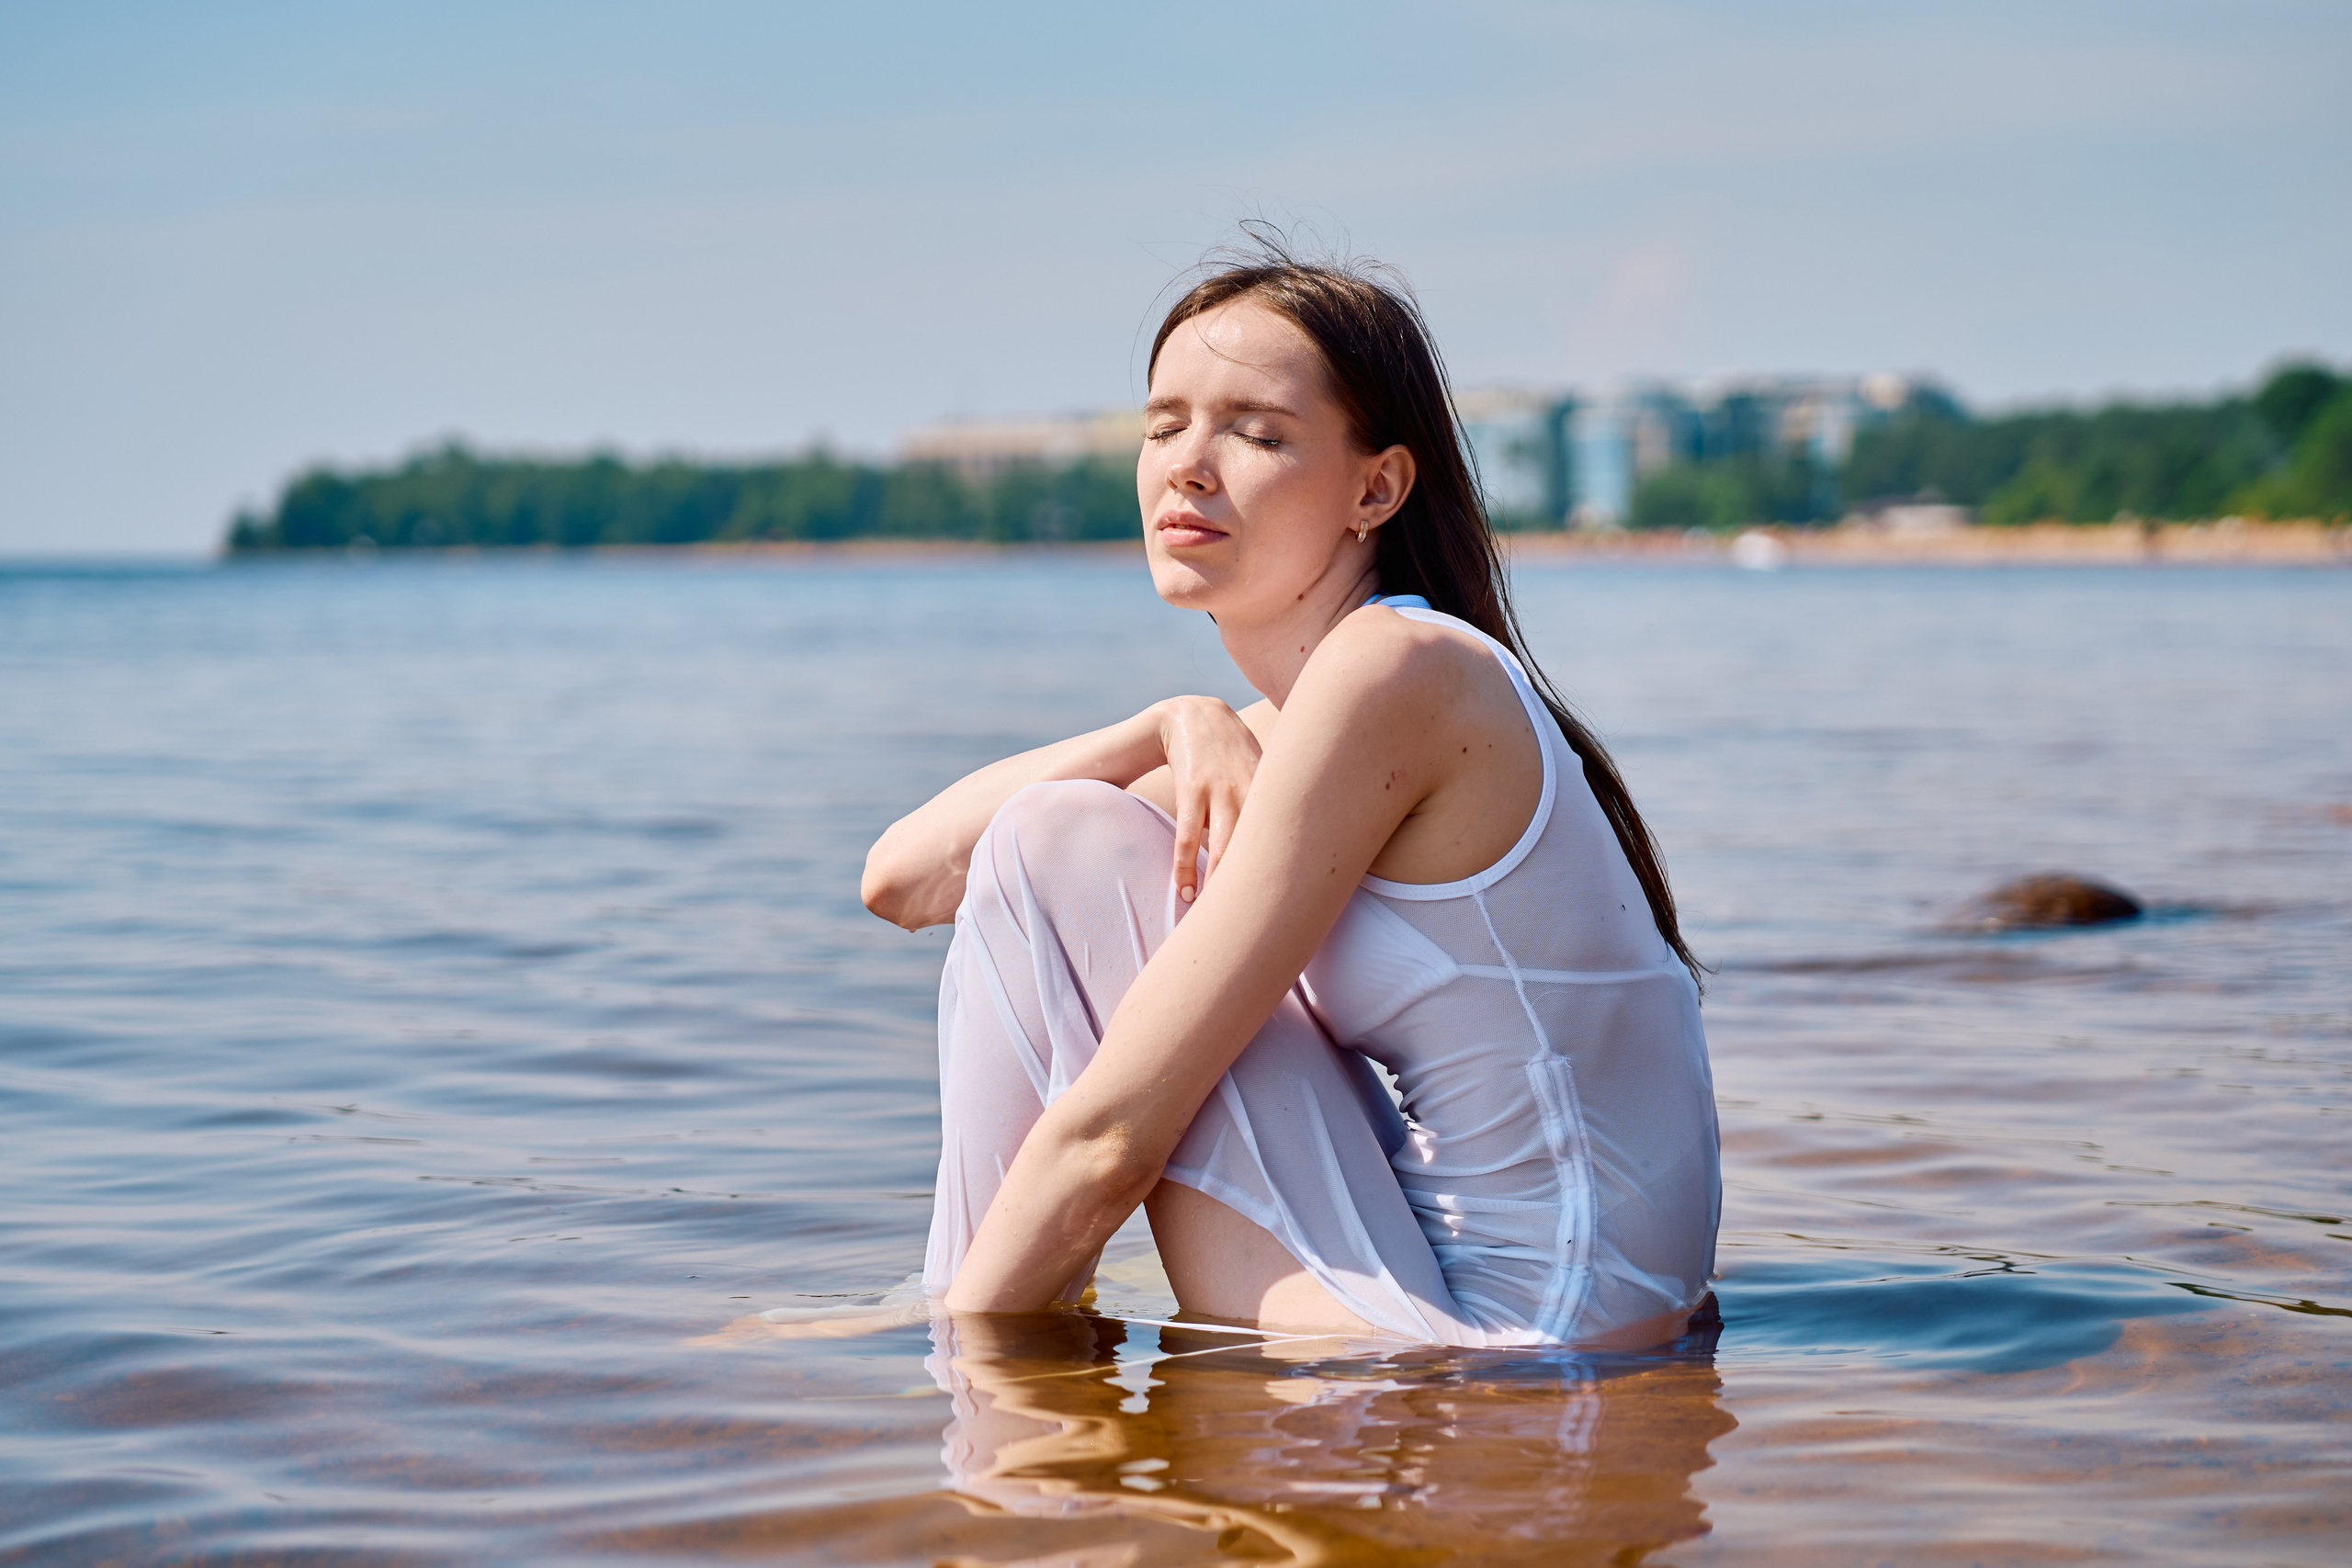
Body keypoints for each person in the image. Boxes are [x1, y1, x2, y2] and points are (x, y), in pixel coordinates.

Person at [861, 246, 1718, 1348]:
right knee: (1060, 830)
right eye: (1164, 424)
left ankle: (960, 1340)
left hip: (1514, 1353)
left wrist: (954, 1361)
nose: (1188, 467)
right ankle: (976, 1321)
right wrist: (1161, 725)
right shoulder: (1310, 720)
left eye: (1255, 434)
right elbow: (904, 878)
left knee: (1062, 836)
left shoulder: (1397, 673)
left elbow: (1112, 1137)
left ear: (1377, 488)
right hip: (1540, 1324)